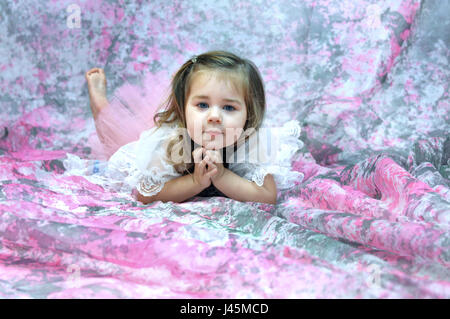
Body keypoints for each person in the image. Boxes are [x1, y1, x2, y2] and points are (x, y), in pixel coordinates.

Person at [64, 51, 304, 204]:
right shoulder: (168, 142)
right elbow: (147, 194)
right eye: (202, 105)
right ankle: (100, 103)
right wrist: (196, 182)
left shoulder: (254, 141)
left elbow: (267, 196)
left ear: (249, 114)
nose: (214, 117)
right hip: (165, 140)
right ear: (183, 108)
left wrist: (221, 175)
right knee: (115, 139)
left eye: (229, 108)